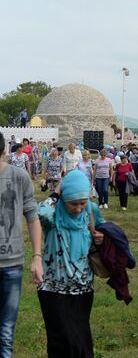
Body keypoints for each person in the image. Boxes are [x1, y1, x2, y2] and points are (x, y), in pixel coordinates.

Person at [37, 170, 105, 357]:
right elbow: (40, 212)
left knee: (80, 336)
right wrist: (57, 191)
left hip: (82, 287)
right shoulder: (52, 215)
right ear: (63, 198)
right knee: (60, 338)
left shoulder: (91, 210)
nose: (78, 209)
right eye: (72, 204)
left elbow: (103, 228)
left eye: (82, 203)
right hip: (52, 288)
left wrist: (100, 237)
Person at [0, 132, 43, 358]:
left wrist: (37, 257)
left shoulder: (18, 177)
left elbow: (32, 217)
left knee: (6, 331)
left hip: (11, 263)